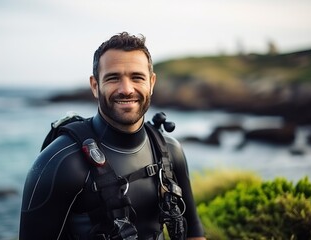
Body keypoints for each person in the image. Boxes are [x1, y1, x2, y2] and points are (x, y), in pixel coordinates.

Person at [19, 32, 206, 240]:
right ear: (95, 85)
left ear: (151, 83)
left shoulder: (170, 152)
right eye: (113, 78)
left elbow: (193, 233)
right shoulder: (60, 162)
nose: (126, 90)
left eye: (137, 77)